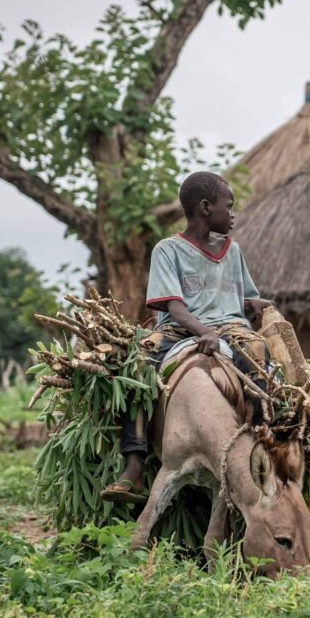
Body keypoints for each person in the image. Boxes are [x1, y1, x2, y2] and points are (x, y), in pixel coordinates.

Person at [101, 171, 269, 504]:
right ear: (206, 207)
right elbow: (174, 307)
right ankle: (133, 463)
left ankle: (263, 443)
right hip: (181, 328)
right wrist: (203, 331)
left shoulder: (233, 251)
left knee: (259, 353)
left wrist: (261, 306)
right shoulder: (168, 250)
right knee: (138, 363)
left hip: (232, 328)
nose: (233, 214)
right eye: (228, 206)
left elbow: (245, 298)